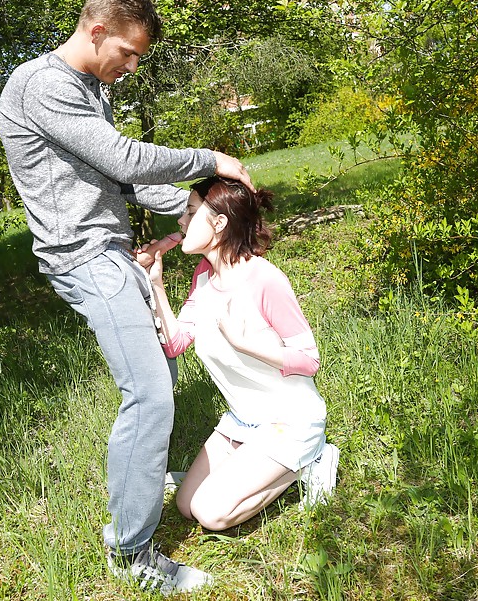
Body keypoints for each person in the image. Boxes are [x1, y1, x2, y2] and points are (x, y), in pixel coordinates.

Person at [0, 0, 253, 595]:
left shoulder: (89, 87)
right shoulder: (42, 86)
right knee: (151, 395)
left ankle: (143, 473)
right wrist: (208, 162)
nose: (132, 67)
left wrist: (196, 211)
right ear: (97, 30)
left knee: (159, 374)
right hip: (83, 256)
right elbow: (123, 159)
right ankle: (133, 551)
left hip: (113, 249)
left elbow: (127, 182)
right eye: (129, 53)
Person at [142, 176, 339, 531]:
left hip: (290, 421)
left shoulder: (264, 279)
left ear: (219, 223)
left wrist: (245, 342)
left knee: (210, 513)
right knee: (186, 506)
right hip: (243, 420)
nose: (181, 223)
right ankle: (248, 468)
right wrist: (155, 283)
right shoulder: (203, 277)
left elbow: (309, 360)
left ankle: (312, 459)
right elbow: (175, 343)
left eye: (189, 212)